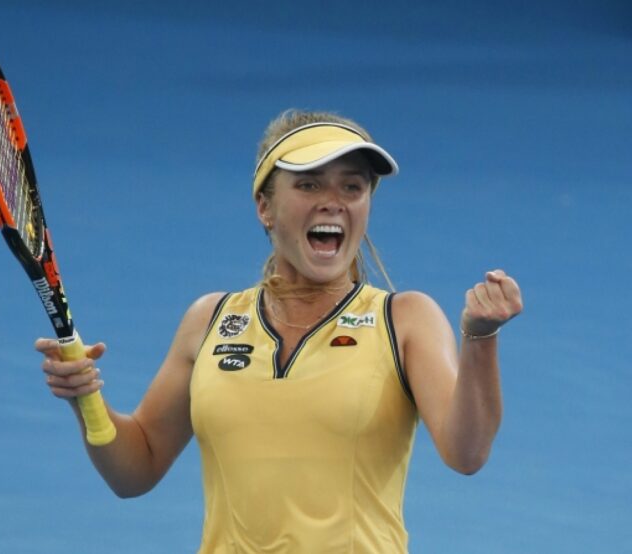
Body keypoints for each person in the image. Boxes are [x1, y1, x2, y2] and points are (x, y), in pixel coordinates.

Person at [36, 109, 523, 553]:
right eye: (309, 185)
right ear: (264, 207)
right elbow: (135, 470)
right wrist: (87, 401)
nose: (333, 202)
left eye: (352, 187)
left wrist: (480, 338)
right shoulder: (209, 321)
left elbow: (467, 452)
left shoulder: (405, 320)